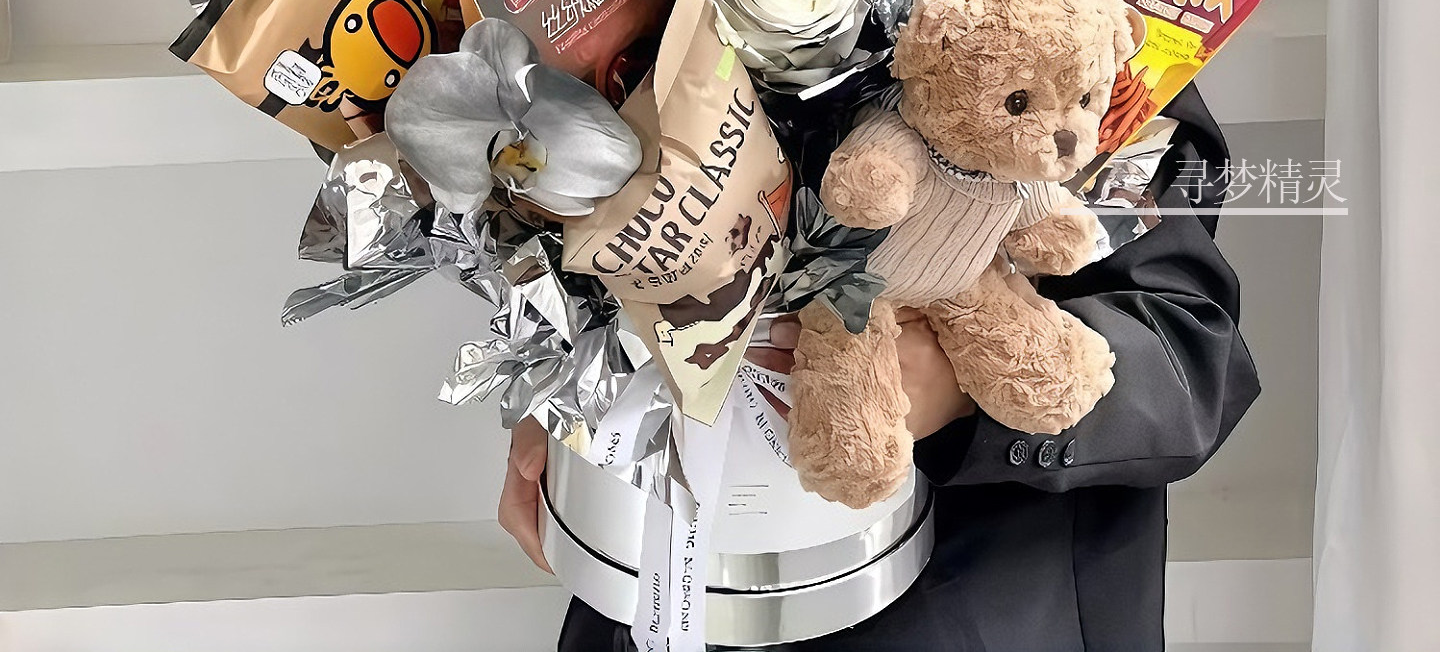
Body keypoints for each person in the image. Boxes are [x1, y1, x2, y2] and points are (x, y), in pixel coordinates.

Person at [499, 85, 1259, 652]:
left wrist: (961, 387)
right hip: (660, 581)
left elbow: (1193, 363)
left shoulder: (1095, 17)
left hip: (976, 602)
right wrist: (562, 385)